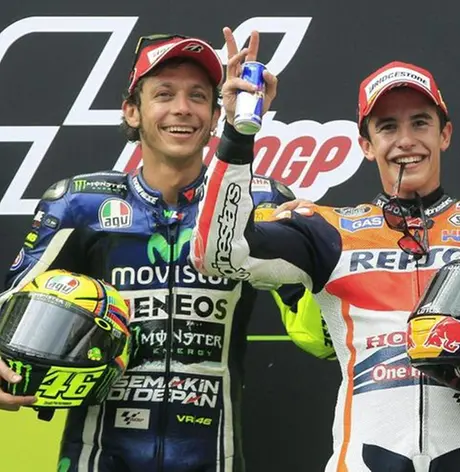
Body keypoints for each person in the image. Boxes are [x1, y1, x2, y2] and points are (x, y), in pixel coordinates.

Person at [190, 28, 460, 471]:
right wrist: (236, 132)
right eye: (388, 127)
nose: (406, 141)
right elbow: (217, 253)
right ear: (366, 145)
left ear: (445, 134)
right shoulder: (328, 229)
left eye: (420, 122)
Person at [0, 32, 321, 471]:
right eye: (163, 94)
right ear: (132, 111)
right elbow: (9, 310)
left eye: (197, 96)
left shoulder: (255, 202)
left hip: (215, 458)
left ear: (214, 116)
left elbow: (316, 337)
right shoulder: (79, 203)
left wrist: (316, 257)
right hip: (97, 458)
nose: (182, 109)